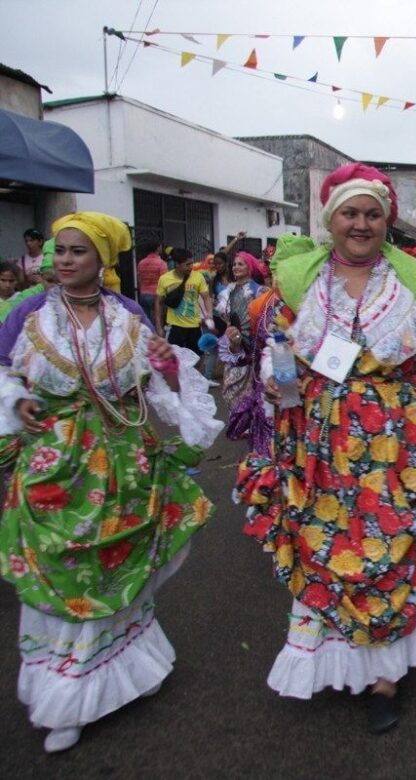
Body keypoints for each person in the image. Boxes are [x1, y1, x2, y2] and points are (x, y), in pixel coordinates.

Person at [234, 163, 416, 732]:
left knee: (392, 543)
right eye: (349, 213)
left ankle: (386, 674)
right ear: (330, 219)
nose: (361, 224)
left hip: (396, 440)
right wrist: (279, 384)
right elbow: (279, 347)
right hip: (319, 441)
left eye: (372, 214)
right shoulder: (301, 281)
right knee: (326, 545)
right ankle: (335, 655)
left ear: (387, 222)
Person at [0, 211, 221, 753]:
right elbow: (3, 372)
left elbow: (158, 383)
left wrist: (167, 365)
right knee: (65, 575)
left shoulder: (127, 313)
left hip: (123, 463)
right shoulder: (28, 313)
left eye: (78, 250)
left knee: (116, 569)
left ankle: (128, 672)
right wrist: (17, 400)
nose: (65, 260)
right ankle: (64, 698)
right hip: (55, 468)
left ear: (102, 259)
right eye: (59, 250)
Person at [215, 251, 269, 449]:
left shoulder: (259, 291)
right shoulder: (227, 291)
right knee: (231, 383)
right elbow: (226, 318)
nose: (236, 267)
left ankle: (250, 423)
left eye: (240, 264)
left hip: (254, 344)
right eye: (234, 264)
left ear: (250, 267)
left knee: (253, 384)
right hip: (234, 343)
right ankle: (237, 420)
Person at [155, 248, 214, 354]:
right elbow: (158, 303)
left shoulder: (198, 277)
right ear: (177, 264)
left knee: (198, 356)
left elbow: (206, 298)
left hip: (195, 326)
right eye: (187, 264)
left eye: (192, 263)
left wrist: (209, 314)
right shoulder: (164, 279)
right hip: (174, 326)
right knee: (174, 357)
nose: (191, 267)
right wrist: (159, 326)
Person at [136, 242, 168, 331]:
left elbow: (139, 279)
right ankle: (157, 336)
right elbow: (164, 281)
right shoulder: (161, 263)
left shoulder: (141, 263)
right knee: (158, 321)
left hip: (143, 294)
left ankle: (148, 337)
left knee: (146, 321)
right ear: (158, 248)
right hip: (156, 295)